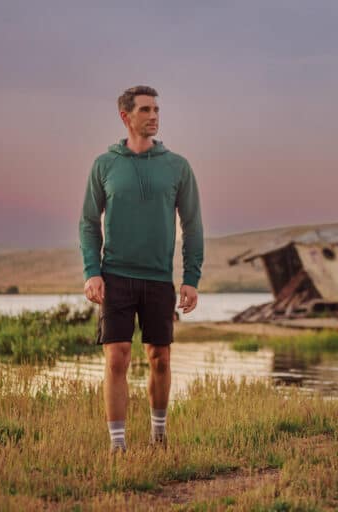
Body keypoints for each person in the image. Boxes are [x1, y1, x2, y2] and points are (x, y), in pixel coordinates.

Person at [79, 85, 204, 453]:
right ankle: (118, 446)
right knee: (117, 356)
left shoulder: (177, 167)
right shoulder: (105, 165)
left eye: (156, 110)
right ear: (126, 116)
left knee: (159, 358)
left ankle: (159, 436)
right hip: (115, 275)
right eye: (146, 110)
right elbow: (88, 222)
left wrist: (191, 278)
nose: (154, 116)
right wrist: (92, 270)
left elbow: (193, 224)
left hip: (158, 279)